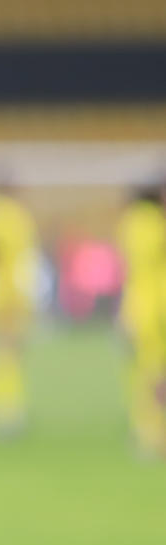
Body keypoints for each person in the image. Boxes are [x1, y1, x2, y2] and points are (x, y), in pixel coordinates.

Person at [0, 176, 39, 436]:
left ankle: (4, 411)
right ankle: (9, 410)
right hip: (16, 294)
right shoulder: (21, 215)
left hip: (3, 294)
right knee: (10, 355)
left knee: (2, 355)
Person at [115, 180, 166, 457]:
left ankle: (145, 431)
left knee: (142, 373)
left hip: (134, 306)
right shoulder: (155, 224)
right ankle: (155, 436)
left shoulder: (130, 223)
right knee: (156, 374)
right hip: (156, 307)